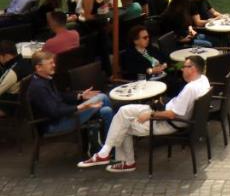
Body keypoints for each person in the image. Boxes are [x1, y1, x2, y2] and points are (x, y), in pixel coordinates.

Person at [79, 54, 209, 173]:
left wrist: (150, 115)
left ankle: (124, 161)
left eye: (185, 67)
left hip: (169, 122)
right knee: (124, 111)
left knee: (123, 125)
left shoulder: (190, 88)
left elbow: (171, 115)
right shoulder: (203, 79)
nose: (182, 69)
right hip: (167, 113)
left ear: (192, 69)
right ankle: (106, 153)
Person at [27, 50, 112, 138]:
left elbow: (59, 96)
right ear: (39, 68)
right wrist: (79, 107)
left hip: (64, 115)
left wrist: (80, 96)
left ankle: (110, 147)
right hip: (54, 124)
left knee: (106, 111)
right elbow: (54, 112)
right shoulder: (38, 87)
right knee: (102, 97)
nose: (54, 65)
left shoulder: (44, 79)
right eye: (50, 63)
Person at [0, 40, 32, 116]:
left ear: (6, 55)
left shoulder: (12, 72)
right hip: (20, 104)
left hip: (8, 107)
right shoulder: (24, 62)